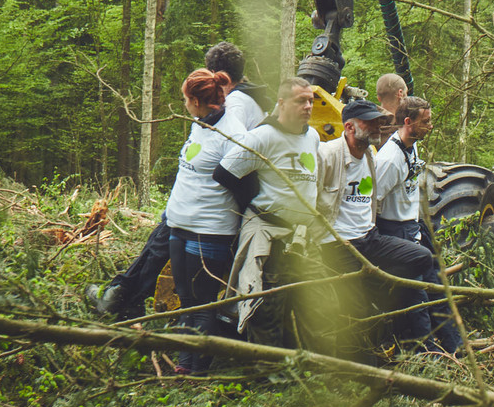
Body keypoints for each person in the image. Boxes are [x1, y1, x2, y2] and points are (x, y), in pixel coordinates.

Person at [87, 42, 250, 320]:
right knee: (158, 250)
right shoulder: (233, 103)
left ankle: (123, 299)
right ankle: (124, 295)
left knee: (163, 258)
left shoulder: (234, 106)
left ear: (213, 75)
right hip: (189, 206)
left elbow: (237, 170)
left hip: (205, 215)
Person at [316, 99, 433, 356]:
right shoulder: (327, 155)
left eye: (378, 120)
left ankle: (388, 306)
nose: (378, 126)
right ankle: (358, 366)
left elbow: (371, 199)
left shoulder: (370, 154)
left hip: (370, 238)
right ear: (349, 126)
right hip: (339, 245)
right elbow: (309, 198)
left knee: (422, 257)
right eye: (369, 122)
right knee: (356, 309)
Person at [213, 77, 321, 347]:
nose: (308, 106)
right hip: (270, 233)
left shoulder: (313, 136)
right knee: (267, 307)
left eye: (311, 100)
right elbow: (224, 173)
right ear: (282, 103)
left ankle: (301, 365)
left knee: (306, 305)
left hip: (301, 238)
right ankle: (266, 372)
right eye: (301, 101)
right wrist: (257, 199)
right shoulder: (263, 136)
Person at [163, 68, 240, 375]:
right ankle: (184, 364)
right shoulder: (201, 123)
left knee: (203, 301)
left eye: (186, 99)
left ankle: (198, 370)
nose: (184, 104)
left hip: (209, 231)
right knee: (185, 299)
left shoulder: (233, 135)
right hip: (179, 226)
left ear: (197, 101)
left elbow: (242, 185)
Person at [375, 96, 462, 353]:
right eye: (426, 122)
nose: (431, 126)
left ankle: (454, 346)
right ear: (407, 122)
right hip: (396, 231)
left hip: (414, 227)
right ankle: (427, 356)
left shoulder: (411, 145)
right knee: (417, 295)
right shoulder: (389, 159)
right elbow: (370, 198)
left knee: (437, 286)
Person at [375, 72, 408, 139]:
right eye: (406, 93)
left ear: (378, 98)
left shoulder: (368, 124)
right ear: (400, 93)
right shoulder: (404, 130)